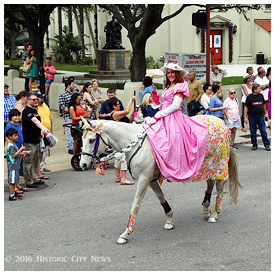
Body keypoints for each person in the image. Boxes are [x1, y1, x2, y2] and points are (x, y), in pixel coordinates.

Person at [145, 62, 208, 182]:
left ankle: (174, 168)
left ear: (177, 73)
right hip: (165, 115)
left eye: (172, 72)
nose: (170, 75)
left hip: (175, 118)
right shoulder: (168, 87)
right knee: (154, 137)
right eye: (168, 73)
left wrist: (158, 115)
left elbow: (175, 106)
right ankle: (159, 168)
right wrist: (157, 103)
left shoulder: (180, 86)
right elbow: (166, 105)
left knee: (172, 140)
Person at [22, 92, 49, 188]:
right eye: (33, 99)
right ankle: (29, 181)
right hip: (29, 141)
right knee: (28, 162)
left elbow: (37, 122)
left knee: (34, 161)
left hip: (36, 139)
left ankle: (34, 178)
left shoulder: (35, 110)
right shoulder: (27, 111)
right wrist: (43, 128)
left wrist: (40, 133)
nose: (35, 101)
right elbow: (34, 121)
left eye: (36, 99)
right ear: (28, 100)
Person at [107, 96, 136, 185]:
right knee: (123, 157)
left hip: (121, 137)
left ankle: (118, 176)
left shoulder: (119, 114)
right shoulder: (114, 114)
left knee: (119, 157)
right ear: (114, 106)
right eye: (118, 104)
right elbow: (126, 111)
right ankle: (123, 178)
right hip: (120, 139)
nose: (119, 105)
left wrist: (132, 115)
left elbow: (128, 121)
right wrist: (131, 100)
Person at [244, 83, 270, 151]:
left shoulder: (261, 96)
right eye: (259, 88)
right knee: (253, 131)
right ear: (254, 90)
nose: (260, 89)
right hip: (252, 117)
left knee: (263, 131)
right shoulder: (249, 97)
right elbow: (246, 107)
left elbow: (264, 105)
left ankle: (266, 145)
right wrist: (245, 117)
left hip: (260, 116)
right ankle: (254, 144)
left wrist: (265, 113)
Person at [6, 128, 27, 201]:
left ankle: (14, 193)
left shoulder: (13, 144)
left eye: (17, 135)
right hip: (12, 166)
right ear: (9, 136)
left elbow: (16, 154)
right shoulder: (11, 145)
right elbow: (13, 155)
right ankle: (11, 195)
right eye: (15, 135)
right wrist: (20, 150)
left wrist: (21, 153)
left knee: (15, 180)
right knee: (12, 181)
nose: (17, 137)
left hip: (16, 165)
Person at [58, 79, 78, 154]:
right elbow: (62, 106)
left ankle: (76, 145)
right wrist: (72, 112)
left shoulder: (75, 92)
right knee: (69, 131)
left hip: (77, 115)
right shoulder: (62, 94)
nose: (74, 85)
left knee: (77, 131)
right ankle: (70, 147)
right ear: (68, 85)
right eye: (72, 84)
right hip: (68, 116)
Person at [36, 92, 53, 178]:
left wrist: (51, 130)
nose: (42, 99)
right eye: (40, 98)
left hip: (48, 131)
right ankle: (39, 168)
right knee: (40, 151)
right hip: (41, 132)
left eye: (42, 97)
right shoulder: (36, 108)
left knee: (46, 150)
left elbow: (50, 118)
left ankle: (43, 166)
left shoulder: (45, 106)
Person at [5, 109, 25, 179]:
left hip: (20, 147)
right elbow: (7, 137)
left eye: (18, 116)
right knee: (15, 166)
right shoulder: (9, 126)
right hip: (14, 149)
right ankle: (15, 185)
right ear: (10, 117)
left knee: (18, 165)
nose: (17, 117)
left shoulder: (18, 125)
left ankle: (17, 184)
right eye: (14, 116)